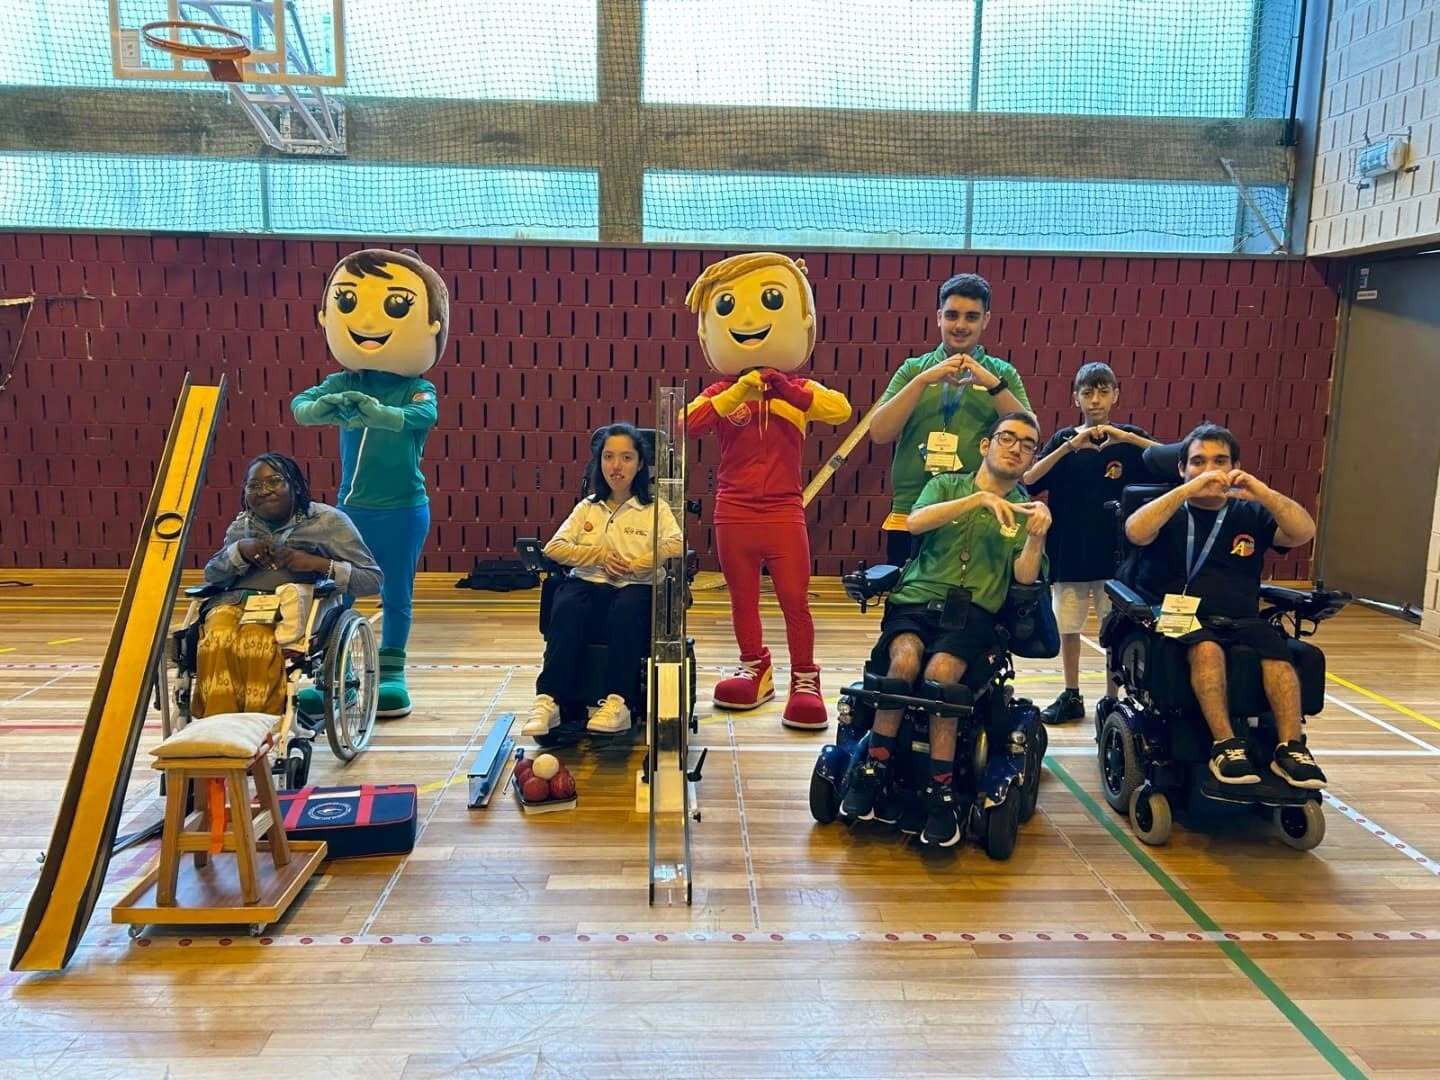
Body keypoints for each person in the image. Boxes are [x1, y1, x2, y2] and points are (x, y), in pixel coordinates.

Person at [841, 412, 1051, 847]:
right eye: (1008, 438)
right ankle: (873, 768)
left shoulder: (1027, 509)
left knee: (941, 673)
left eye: (1027, 444)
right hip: (916, 600)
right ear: (986, 445)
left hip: (974, 613)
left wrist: (1036, 537)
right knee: (904, 661)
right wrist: (977, 500)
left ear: (1032, 458)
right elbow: (915, 522)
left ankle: (941, 791)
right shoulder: (947, 485)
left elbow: (1025, 577)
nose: (1016, 448)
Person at [683, 251, 852, 730]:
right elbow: (685, 422)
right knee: (742, 599)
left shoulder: (799, 390)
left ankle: (805, 676)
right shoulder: (720, 393)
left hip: (783, 511)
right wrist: (737, 393)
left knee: (795, 599)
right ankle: (754, 665)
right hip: (733, 510)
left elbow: (840, 409)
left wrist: (790, 392)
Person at [291, 247, 450, 719]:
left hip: (404, 509)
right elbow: (301, 407)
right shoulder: (344, 380)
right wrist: (321, 408)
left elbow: (423, 415)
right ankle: (337, 675)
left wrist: (379, 413)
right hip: (352, 510)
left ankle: (393, 673)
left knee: (396, 591)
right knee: (338, 589)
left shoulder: (417, 387)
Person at [1125, 423, 1325, 789]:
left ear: (1235, 467)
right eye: (1198, 461)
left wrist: (1262, 492)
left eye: (1220, 461)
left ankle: (1290, 748)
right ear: (1182, 468)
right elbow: (1135, 531)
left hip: (1240, 617)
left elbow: (1303, 531)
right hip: (1178, 615)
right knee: (1206, 649)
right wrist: (1187, 490)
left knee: (1278, 658)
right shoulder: (1168, 509)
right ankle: (1225, 744)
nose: (1209, 469)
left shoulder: (1250, 513)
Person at [524, 423, 683, 739]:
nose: (616, 466)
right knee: (567, 602)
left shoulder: (655, 508)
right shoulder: (588, 507)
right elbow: (554, 548)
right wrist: (598, 555)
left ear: (640, 464)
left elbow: (677, 543)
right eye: (608, 457)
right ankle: (550, 700)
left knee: (628, 608)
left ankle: (618, 702)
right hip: (589, 582)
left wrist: (641, 562)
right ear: (599, 463)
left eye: (626, 457)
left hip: (636, 586)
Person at [193, 453, 382, 719]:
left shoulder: (327, 521)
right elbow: (212, 574)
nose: (264, 491)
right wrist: (239, 550)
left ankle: (259, 726)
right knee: (216, 638)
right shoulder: (243, 525)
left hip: (289, 609)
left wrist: (318, 564)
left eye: (274, 481)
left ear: (295, 485)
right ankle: (218, 725)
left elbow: (371, 579)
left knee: (255, 639)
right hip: (234, 602)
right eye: (254, 485)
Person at [1023, 361, 1157, 724]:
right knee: (1068, 627)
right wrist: (1070, 446)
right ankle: (1071, 693)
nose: (1095, 400)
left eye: (1102, 391)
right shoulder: (1064, 440)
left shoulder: (1130, 438)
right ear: (1076, 398)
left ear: (1116, 395)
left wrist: (1128, 439)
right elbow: (1029, 479)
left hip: (1116, 557)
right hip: (1069, 552)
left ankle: (1112, 697)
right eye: (1087, 392)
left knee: (1113, 629)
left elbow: (1173, 461)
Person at [868, 274, 1031, 566]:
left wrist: (993, 385)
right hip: (911, 509)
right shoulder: (913, 370)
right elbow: (879, 433)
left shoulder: (1002, 373)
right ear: (939, 317)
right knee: (906, 592)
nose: (960, 325)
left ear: (986, 320)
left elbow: (1029, 432)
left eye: (972, 317)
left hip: (976, 509)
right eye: (952, 315)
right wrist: (921, 382)